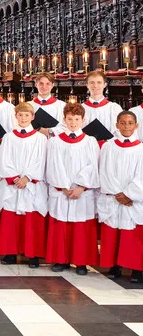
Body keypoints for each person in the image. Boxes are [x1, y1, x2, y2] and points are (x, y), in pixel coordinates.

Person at [45, 102, 100, 275]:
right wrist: (63, 186)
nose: (73, 123)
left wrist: (81, 187)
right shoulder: (55, 142)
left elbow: (93, 166)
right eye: (70, 119)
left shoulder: (90, 142)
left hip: (82, 192)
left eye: (77, 119)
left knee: (81, 228)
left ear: (83, 120)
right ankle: (61, 260)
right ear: (64, 119)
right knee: (61, 225)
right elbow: (53, 165)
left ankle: (81, 262)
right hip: (62, 191)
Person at [0, 102, 48, 268]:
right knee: (11, 219)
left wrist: (27, 178)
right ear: (15, 116)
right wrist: (15, 177)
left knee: (32, 219)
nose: (23, 118)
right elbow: (4, 159)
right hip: (13, 184)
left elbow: (41, 161)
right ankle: (10, 252)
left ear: (32, 117)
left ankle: (33, 254)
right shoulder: (9, 137)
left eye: (26, 115)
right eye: (20, 115)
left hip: (31, 184)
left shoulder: (40, 138)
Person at [98, 110, 143, 283]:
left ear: (136, 125)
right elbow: (105, 170)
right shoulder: (109, 146)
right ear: (117, 125)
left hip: (133, 199)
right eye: (122, 123)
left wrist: (130, 194)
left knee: (133, 235)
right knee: (113, 232)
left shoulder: (141, 148)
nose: (126, 126)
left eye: (130, 123)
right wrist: (118, 192)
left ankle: (137, 269)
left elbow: (141, 175)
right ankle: (114, 265)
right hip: (114, 196)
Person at [82, 70, 122, 144]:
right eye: (92, 82)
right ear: (87, 85)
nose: (95, 86)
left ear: (105, 84)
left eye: (99, 82)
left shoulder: (114, 108)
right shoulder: (81, 108)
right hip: (86, 148)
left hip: (109, 148)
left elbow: (120, 132)